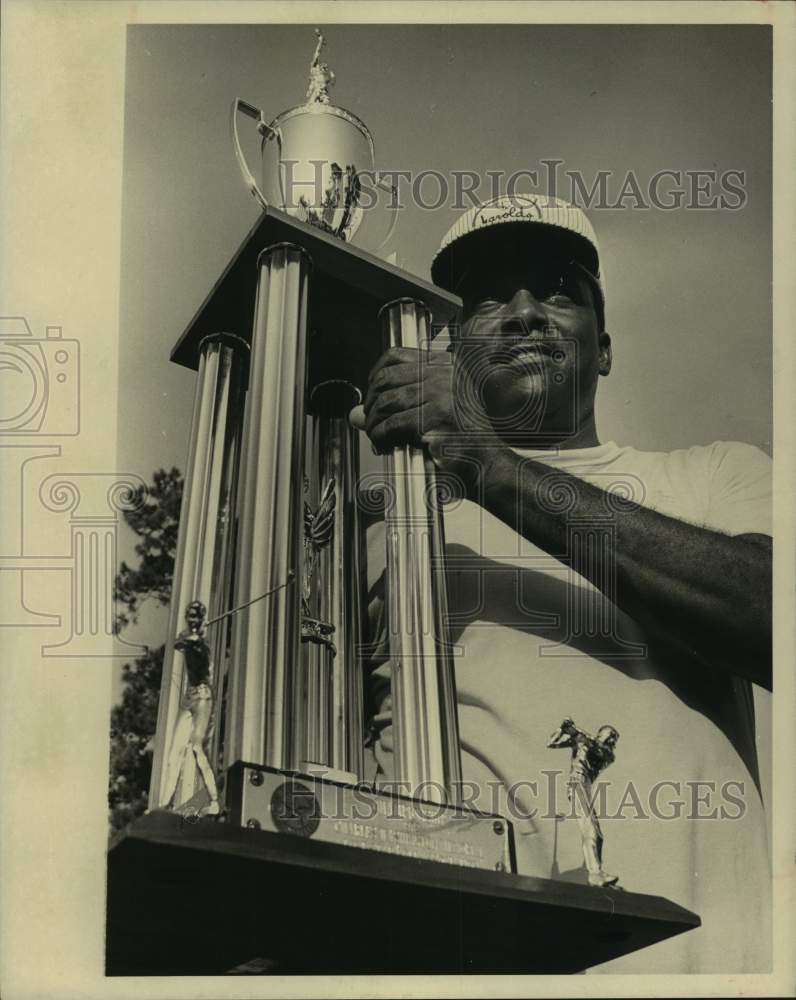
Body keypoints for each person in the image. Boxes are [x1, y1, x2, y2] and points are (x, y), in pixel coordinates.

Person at [354, 194, 772, 973]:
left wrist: (487, 464)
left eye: (556, 291)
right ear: (447, 347)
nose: (522, 314)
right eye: (487, 299)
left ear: (604, 346)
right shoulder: (385, 530)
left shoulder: (715, 477)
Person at [546, 717, 620, 888]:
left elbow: (598, 748)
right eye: (610, 736)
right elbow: (552, 743)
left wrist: (576, 731)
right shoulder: (581, 741)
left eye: (613, 739)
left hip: (585, 786)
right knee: (590, 829)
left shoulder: (608, 755)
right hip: (577, 782)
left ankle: (596, 872)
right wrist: (561, 729)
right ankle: (595, 873)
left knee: (598, 835)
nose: (611, 741)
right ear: (602, 733)